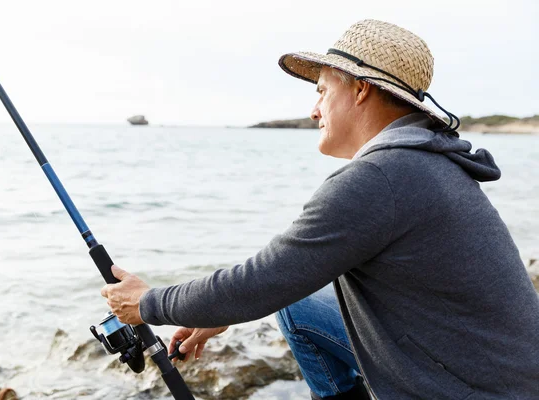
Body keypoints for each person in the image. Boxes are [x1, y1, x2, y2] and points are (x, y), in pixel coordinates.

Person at [101, 19, 539, 399]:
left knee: (283, 297)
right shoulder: (422, 162)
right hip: (499, 374)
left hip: (476, 391)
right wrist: (219, 314)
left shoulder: (383, 176)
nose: (313, 110)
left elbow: (260, 281)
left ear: (361, 89)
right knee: (298, 305)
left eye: (322, 91)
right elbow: (287, 278)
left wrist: (146, 303)